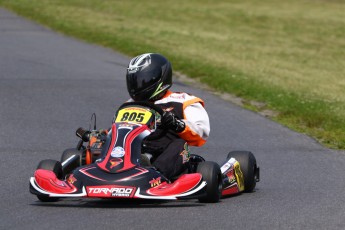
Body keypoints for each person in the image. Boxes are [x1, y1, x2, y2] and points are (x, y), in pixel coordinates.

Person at [126, 53, 210, 180]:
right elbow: (119, 130)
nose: (138, 84)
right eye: (135, 80)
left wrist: (178, 124)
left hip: (166, 153)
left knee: (179, 143)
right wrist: (100, 136)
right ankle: (99, 170)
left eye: (143, 79)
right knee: (101, 144)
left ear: (158, 78)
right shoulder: (130, 105)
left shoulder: (183, 101)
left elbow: (201, 134)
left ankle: (154, 175)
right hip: (135, 149)